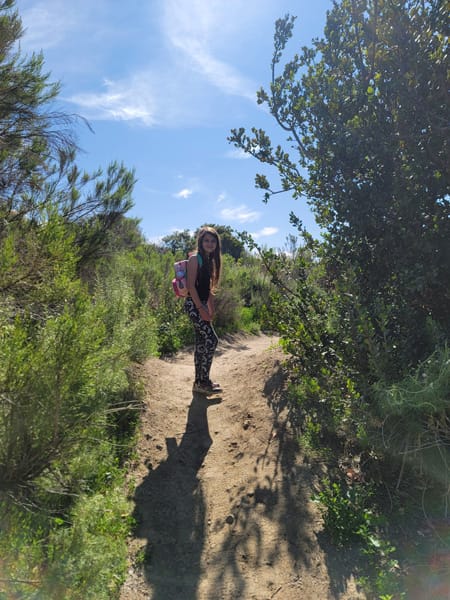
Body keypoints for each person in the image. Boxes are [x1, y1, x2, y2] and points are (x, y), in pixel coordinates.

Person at [184, 226, 222, 395]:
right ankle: (204, 382)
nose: (210, 243)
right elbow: (191, 286)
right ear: (200, 241)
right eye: (206, 240)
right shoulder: (195, 259)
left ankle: (199, 383)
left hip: (201, 305)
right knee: (211, 340)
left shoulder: (209, 260)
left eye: (213, 241)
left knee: (201, 342)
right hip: (193, 305)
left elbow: (208, 289)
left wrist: (211, 309)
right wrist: (201, 309)